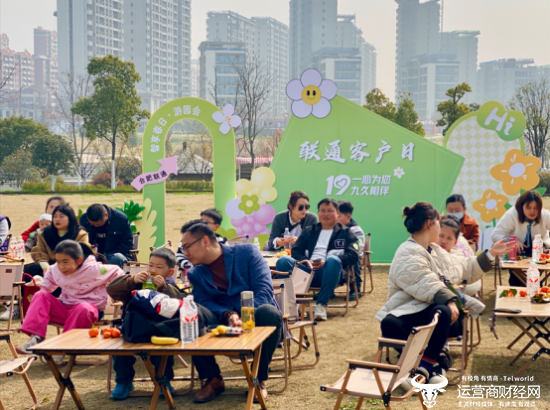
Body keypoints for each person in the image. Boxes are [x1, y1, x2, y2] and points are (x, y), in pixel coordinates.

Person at [376, 202, 512, 387]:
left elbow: (464, 268)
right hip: (410, 312)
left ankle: (424, 367)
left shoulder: (436, 250)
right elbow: (424, 281)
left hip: (437, 316)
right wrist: (449, 300)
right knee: (390, 323)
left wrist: (490, 254)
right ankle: (429, 365)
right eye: (438, 222)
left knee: (442, 312)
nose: (440, 228)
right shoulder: (406, 252)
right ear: (429, 224)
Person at [180, 220, 282, 404]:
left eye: (187, 247)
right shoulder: (195, 273)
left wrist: (245, 316)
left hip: (256, 316)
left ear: (205, 241)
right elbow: (204, 301)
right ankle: (212, 378)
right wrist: (228, 314)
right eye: (183, 248)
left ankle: (258, 379)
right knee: (192, 312)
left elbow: (264, 290)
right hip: (221, 319)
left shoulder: (247, 252)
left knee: (270, 312)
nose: (184, 253)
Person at [16, 240, 124, 362]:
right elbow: (45, 289)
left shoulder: (95, 269)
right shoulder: (55, 269)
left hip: (87, 312)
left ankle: (64, 347)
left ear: (79, 260)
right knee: (40, 295)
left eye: (65, 262)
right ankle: (36, 338)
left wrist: (116, 291)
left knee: (83, 307)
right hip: (65, 309)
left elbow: (118, 273)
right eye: (58, 261)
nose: (61, 266)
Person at [107, 248, 181, 400]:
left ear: (170, 272)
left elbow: (181, 302)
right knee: (119, 348)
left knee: (163, 349)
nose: (153, 270)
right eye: (150, 265)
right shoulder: (136, 283)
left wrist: (164, 288)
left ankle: (164, 380)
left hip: (159, 329)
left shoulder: (170, 286)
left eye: (159, 267)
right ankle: (123, 381)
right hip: (132, 329)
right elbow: (111, 289)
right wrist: (131, 280)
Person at [275, 198, 359, 321]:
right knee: (283, 261)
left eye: (330, 211)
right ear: (318, 213)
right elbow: (296, 251)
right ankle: (291, 307)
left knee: (333, 260)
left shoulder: (346, 232)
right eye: (322, 211)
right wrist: (306, 261)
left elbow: (354, 255)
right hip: (308, 271)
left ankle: (321, 305)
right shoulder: (309, 230)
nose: (326, 214)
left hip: (331, 272)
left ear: (337, 213)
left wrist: (326, 263)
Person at [492, 190, 550, 286]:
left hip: (540, 252)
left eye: (536, 208)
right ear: (521, 206)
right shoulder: (512, 214)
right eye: (528, 207)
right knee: (517, 280)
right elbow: (495, 235)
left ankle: (533, 285)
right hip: (516, 253)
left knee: (533, 278)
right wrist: (513, 241)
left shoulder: (545, 215)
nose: (532, 211)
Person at [80, 204, 134, 268]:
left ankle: (96, 268)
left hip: (113, 255)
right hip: (93, 256)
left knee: (118, 258)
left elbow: (127, 243)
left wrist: (106, 256)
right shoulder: (84, 220)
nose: (95, 226)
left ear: (106, 215)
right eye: (92, 224)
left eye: (97, 224)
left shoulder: (121, 219)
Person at [336, 200, 365, 301]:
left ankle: (356, 289)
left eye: (339, 217)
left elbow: (358, 248)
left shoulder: (356, 230)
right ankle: (327, 290)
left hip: (350, 258)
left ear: (348, 216)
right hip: (336, 257)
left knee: (352, 257)